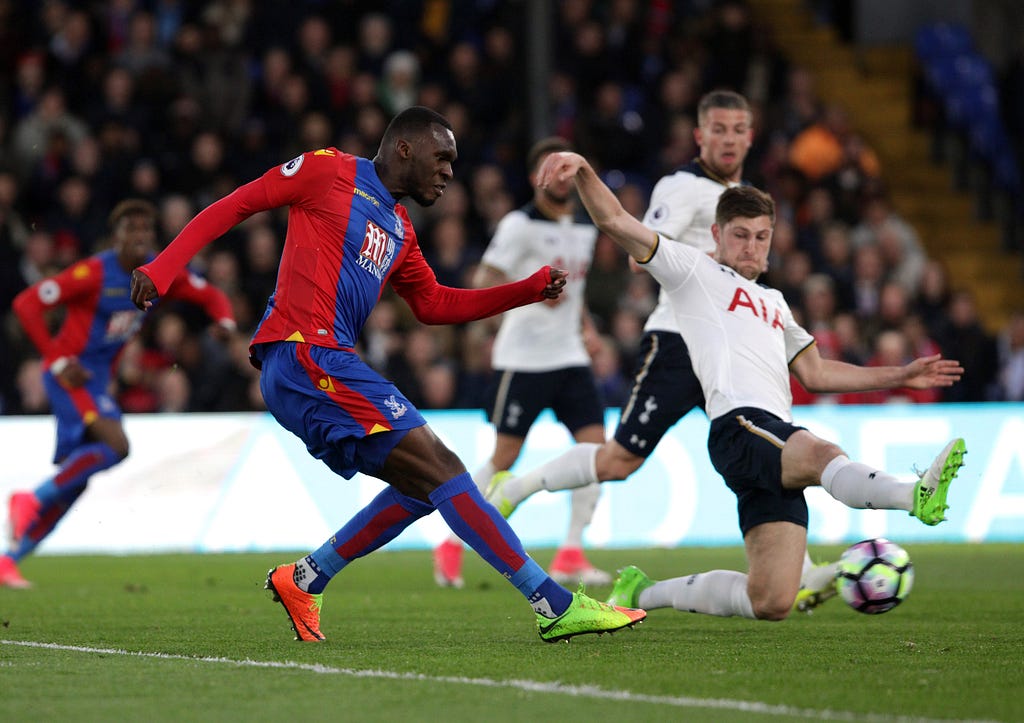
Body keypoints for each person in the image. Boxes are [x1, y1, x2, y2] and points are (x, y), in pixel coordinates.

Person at [127, 106, 645, 642]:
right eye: (441, 157)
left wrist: (526, 291)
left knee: (425, 487)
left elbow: (434, 304)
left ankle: (306, 578)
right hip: (307, 355)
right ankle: (554, 604)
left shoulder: (399, 227)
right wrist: (163, 268)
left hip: (326, 365)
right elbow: (237, 205)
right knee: (444, 468)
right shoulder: (327, 170)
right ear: (405, 148)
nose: (448, 171)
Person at [522, 153, 966, 621]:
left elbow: (816, 373)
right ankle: (913, 493)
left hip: (769, 441)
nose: (752, 247)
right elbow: (616, 221)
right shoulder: (694, 272)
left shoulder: (774, 302)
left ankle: (640, 593)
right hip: (742, 425)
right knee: (822, 454)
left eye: (761, 237)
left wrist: (899, 374)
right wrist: (586, 171)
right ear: (717, 235)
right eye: (740, 235)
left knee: (771, 599)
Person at [485, 90, 837, 609]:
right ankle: (517, 489)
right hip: (678, 339)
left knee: (767, 451)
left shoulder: (744, 195)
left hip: (730, 343)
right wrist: (703, 270)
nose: (729, 139)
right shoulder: (682, 186)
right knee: (621, 459)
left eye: (739, 129)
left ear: (750, 136)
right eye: (718, 129)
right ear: (700, 135)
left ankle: (799, 570)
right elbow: (638, 256)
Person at [2, 199, 236, 589]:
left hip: (94, 383)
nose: (141, 236)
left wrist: (225, 321)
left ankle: (10, 558)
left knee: (77, 483)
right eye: (132, 229)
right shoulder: (92, 272)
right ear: (117, 236)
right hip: (69, 377)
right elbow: (25, 304)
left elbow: (210, 295)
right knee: (117, 445)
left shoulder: (159, 273)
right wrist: (58, 359)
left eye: (147, 229)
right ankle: (31, 498)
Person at [432, 137, 610, 589]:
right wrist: (527, 291)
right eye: (555, 169)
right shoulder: (519, 226)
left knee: (598, 453)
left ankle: (571, 551)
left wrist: (587, 330)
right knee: (505, 457)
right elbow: (483, 279)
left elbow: (578, 294)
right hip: (525, 359)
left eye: (570, 169)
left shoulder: (585, 228)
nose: (563, 177)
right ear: (537, 178)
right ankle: (450, 541)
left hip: (569, 355)